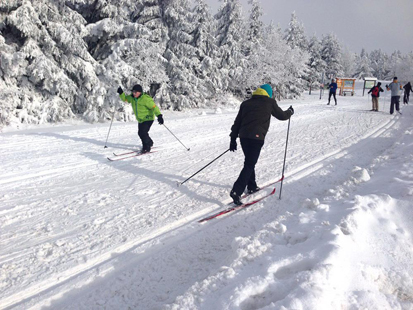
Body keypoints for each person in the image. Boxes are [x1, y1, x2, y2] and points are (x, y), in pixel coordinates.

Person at [229, 84, 294, 205]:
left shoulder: (246, 103)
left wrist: (233, 139)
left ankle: (252, 186)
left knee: (249, 162)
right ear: (268, 93)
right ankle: (236, 191)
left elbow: (237, 122)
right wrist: (290, 112)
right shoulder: (269, 102)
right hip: (256, 138)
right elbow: (282, 116)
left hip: (243, 137)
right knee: (249, 164)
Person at [117, 84, 164, 153]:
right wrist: (121, 93)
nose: (134, 93)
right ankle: (149, 142)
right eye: (133, 92)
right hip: (141, 119)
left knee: (143, 133)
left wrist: (159, 116)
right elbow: (125, 99)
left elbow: (154, 107)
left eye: (136, 92)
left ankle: (146, 147)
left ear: (140, 92)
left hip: (148, 118)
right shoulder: (132, 98)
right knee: (141, 133)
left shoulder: (145, 99)